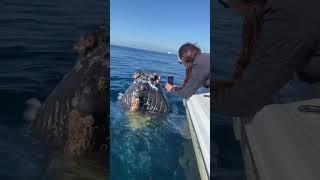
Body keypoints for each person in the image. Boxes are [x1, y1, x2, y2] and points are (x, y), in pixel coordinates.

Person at [214, 0, 320, 117]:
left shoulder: (287, 13)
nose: (230, 9)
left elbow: (242, 103)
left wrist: (206, 98)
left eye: (223, 3)